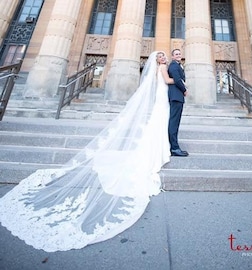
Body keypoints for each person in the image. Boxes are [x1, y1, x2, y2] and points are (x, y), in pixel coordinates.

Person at [0, 51, 174, 252]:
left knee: (157, 125)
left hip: (161, 100)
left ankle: (158, 150)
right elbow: (168, 80)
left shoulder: (157, 69)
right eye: (160, 56)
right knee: (158, 124)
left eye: (163, 56)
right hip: (162, 100)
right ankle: (157, 152)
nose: (162, 58)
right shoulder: (162, 69)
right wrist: (181, 81)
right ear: (157, 60)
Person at [168, 49, 188, 157]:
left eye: (179, 54)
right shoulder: (174, 66)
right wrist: (184, 90)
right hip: (176, 96)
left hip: (177, 97)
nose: (178, 55)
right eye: (176, 54)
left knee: (175, 123)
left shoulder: (177, 65)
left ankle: (175, 146)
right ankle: (174, 148)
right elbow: (177, 79)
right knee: (174, 123)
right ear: (172, 56)